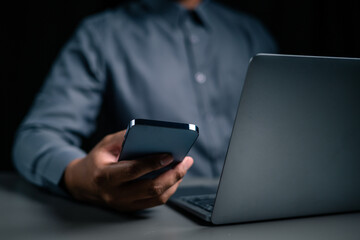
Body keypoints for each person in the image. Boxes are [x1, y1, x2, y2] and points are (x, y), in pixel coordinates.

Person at [12, 0, 277, 212]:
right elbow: (35, 137)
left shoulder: (252, 33)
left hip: (260, 211)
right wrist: (79, 177)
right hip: (155, 216)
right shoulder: (101, 33)